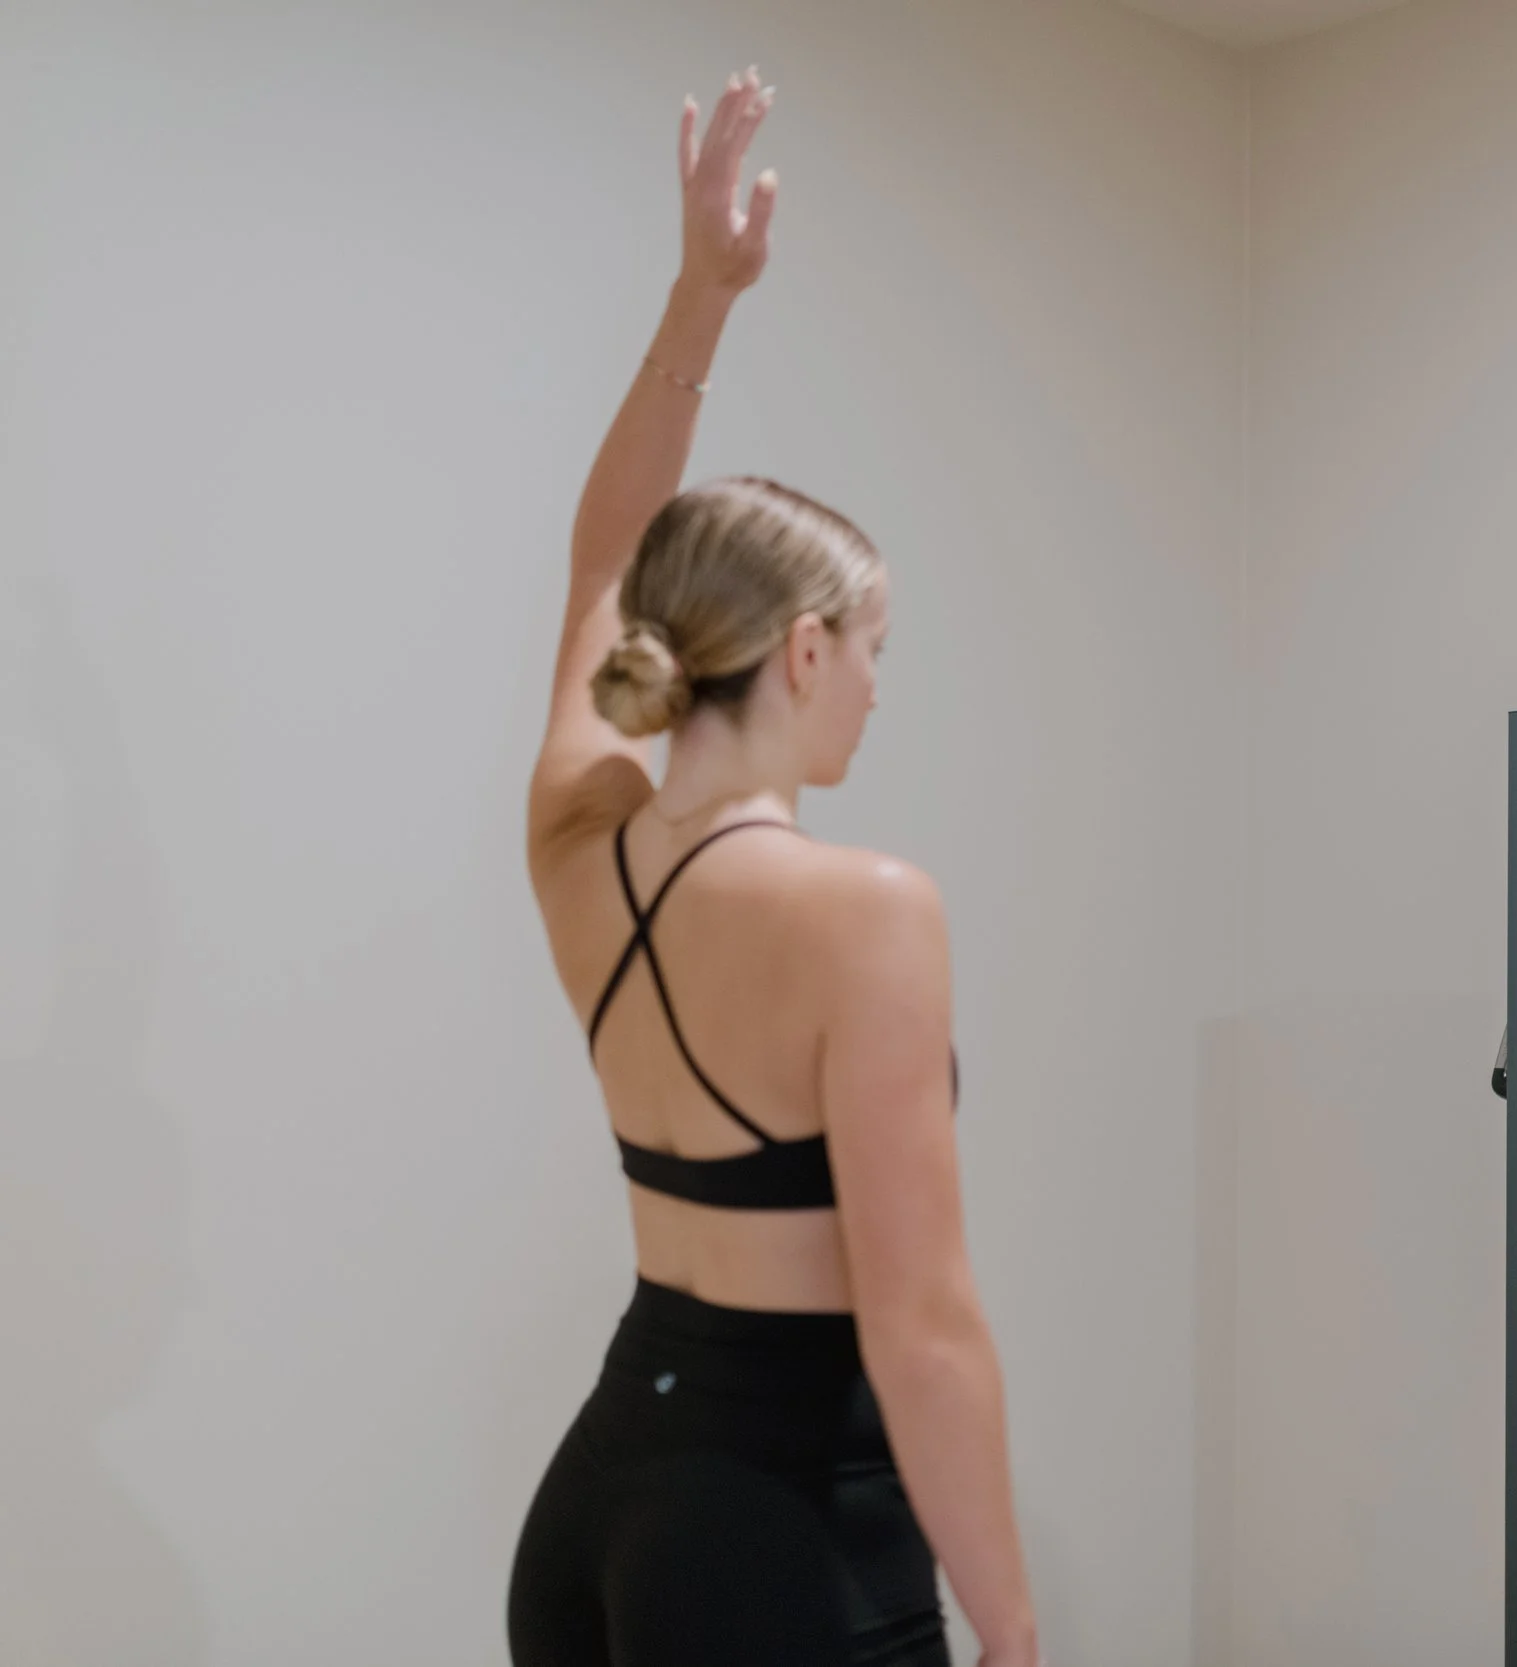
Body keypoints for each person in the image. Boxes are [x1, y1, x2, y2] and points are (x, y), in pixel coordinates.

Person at [507, 69, 1042, 1667]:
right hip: (784, 1533)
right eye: (874, 647)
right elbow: (924, 1327)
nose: (881, 682)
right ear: (805, 652)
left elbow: (607, 555)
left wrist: (699, 296)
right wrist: (1014, 1632)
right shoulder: (865, 912)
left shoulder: (575, 842)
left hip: (600, 1507)